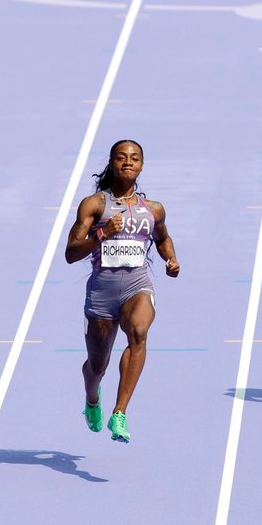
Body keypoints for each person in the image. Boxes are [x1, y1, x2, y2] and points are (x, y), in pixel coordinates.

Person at [64, 140, 180, 442]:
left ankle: (120, 413)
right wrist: (102, 233)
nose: (128, 162)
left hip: (136, 286)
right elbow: (71, 253)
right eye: (121, 157)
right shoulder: (94, 205)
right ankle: (92, 398)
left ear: (141, 166)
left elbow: (164, 237)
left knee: (139, 332)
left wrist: (171, 259)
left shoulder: (152, 209)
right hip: (101, 295)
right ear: (113, 164)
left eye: (135, 158)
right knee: (97, 366)